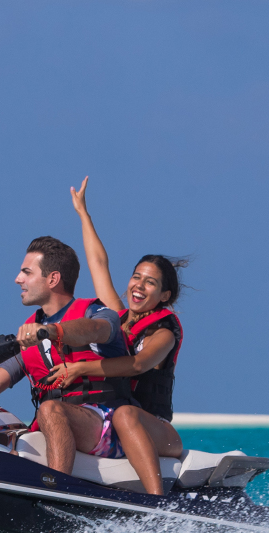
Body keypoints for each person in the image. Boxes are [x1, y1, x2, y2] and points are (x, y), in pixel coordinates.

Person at [0, 236, 171, 493]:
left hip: (110, 425)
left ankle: (56, 495)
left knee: (49, 410)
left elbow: (95, 330)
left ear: (53, 279)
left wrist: (50, 331)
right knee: (0, 438)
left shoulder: (100, 314)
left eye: (26, 272)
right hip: (67, 427)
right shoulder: (29, 338)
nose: (18, 279)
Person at [42, 177, 187, 490]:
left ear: (164, 296)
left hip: (158, 430)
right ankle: (58, 492)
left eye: (150, 282)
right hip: (113, 422)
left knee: (124, 414)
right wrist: (83, 214)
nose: (139, 285)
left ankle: (157, 503)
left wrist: (80, 368)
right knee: (67, 411)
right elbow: (98, 264)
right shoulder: (120, 319)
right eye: (137, 277)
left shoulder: (165, 331)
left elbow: (138, 365)